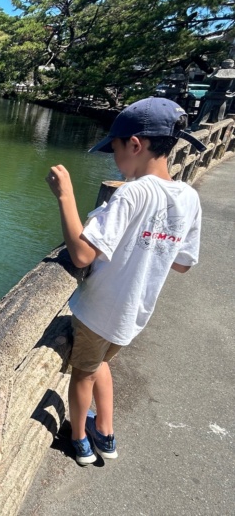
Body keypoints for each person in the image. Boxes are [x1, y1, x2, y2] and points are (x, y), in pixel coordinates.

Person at [45, 97, 206, 465]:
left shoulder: (133, 192)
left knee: (83, 374)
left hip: (100, 308)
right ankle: (107, 431)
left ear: (136, 144)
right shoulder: (188, 198)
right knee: (103, 364)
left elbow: (84, 254)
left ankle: (80, 440)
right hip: (134, 314)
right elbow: (182, 264)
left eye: (115, 148)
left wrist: (65, 196)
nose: (113, 157)